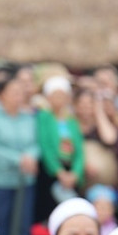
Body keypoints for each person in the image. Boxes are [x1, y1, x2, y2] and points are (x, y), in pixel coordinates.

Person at [0, 72, 39, 235]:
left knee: (23, 223)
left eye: (20, 92)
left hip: (25, 180)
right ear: (2, 94)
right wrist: (18, 159)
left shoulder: (28, 118)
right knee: (1, 223)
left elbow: (36, 143)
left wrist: (31, 157)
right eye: (13, 92)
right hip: (0, 180)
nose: (17, 96)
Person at [35, 76, 86, 222]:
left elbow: (79, 150)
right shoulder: (44, 118)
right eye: (55, 95)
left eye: (63, 95)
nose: (59, 99)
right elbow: (45, 147)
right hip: (52, 173)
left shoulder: (72, 120)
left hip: (70, 171)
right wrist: (59, 172)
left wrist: (76, 172)